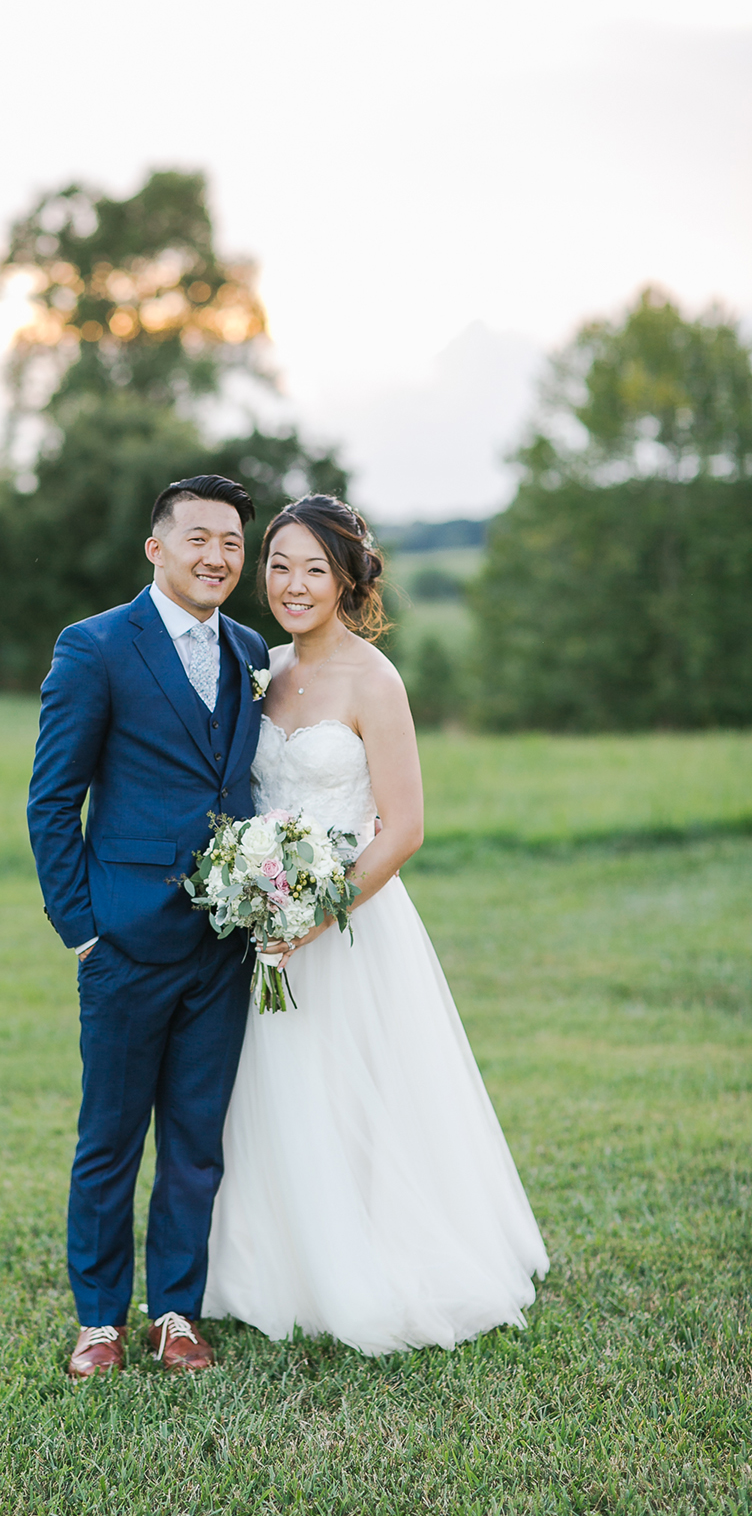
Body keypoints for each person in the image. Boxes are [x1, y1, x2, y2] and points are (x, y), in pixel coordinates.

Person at [203, 495, 549, 1353]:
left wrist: (313, 918)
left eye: (313, 568)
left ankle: (372, 1261)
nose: (291, 583)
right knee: (274, 1098)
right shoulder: (259, 666)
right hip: (264, 928)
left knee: (361, 1099)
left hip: (351, 925)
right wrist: (256, 898)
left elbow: (404, 828)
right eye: (278, 564)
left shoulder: (375, 679)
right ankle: (274, 1264)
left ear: (348, 579)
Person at [27, 475, 270, 1378]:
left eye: (232, 545)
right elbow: (53, 799)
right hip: (126, 941)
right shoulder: (94, 647)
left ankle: (175, 1310)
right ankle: (99, 1321)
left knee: (197, 1141)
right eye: (199, 539)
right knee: (111, 1140)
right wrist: (82, 927)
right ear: (156, 548)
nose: (218, 557)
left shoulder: (252, 650)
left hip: (225, 944)